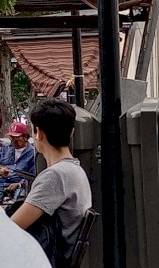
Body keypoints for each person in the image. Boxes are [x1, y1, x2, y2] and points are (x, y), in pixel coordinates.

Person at [11, 98, 92, 267]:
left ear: (38, 133)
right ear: (71, 132)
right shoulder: (75, 170)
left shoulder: (55, 176)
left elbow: (11, 229)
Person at [0, 122, 35, 201]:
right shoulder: (4, 149)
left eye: (17, 137)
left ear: (25, 137)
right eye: (12, 137)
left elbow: (33, 175)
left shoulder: (32, 153)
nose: (14, 140)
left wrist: (19, 184)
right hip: (2, 183)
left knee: (18, 200)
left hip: (19, 186)